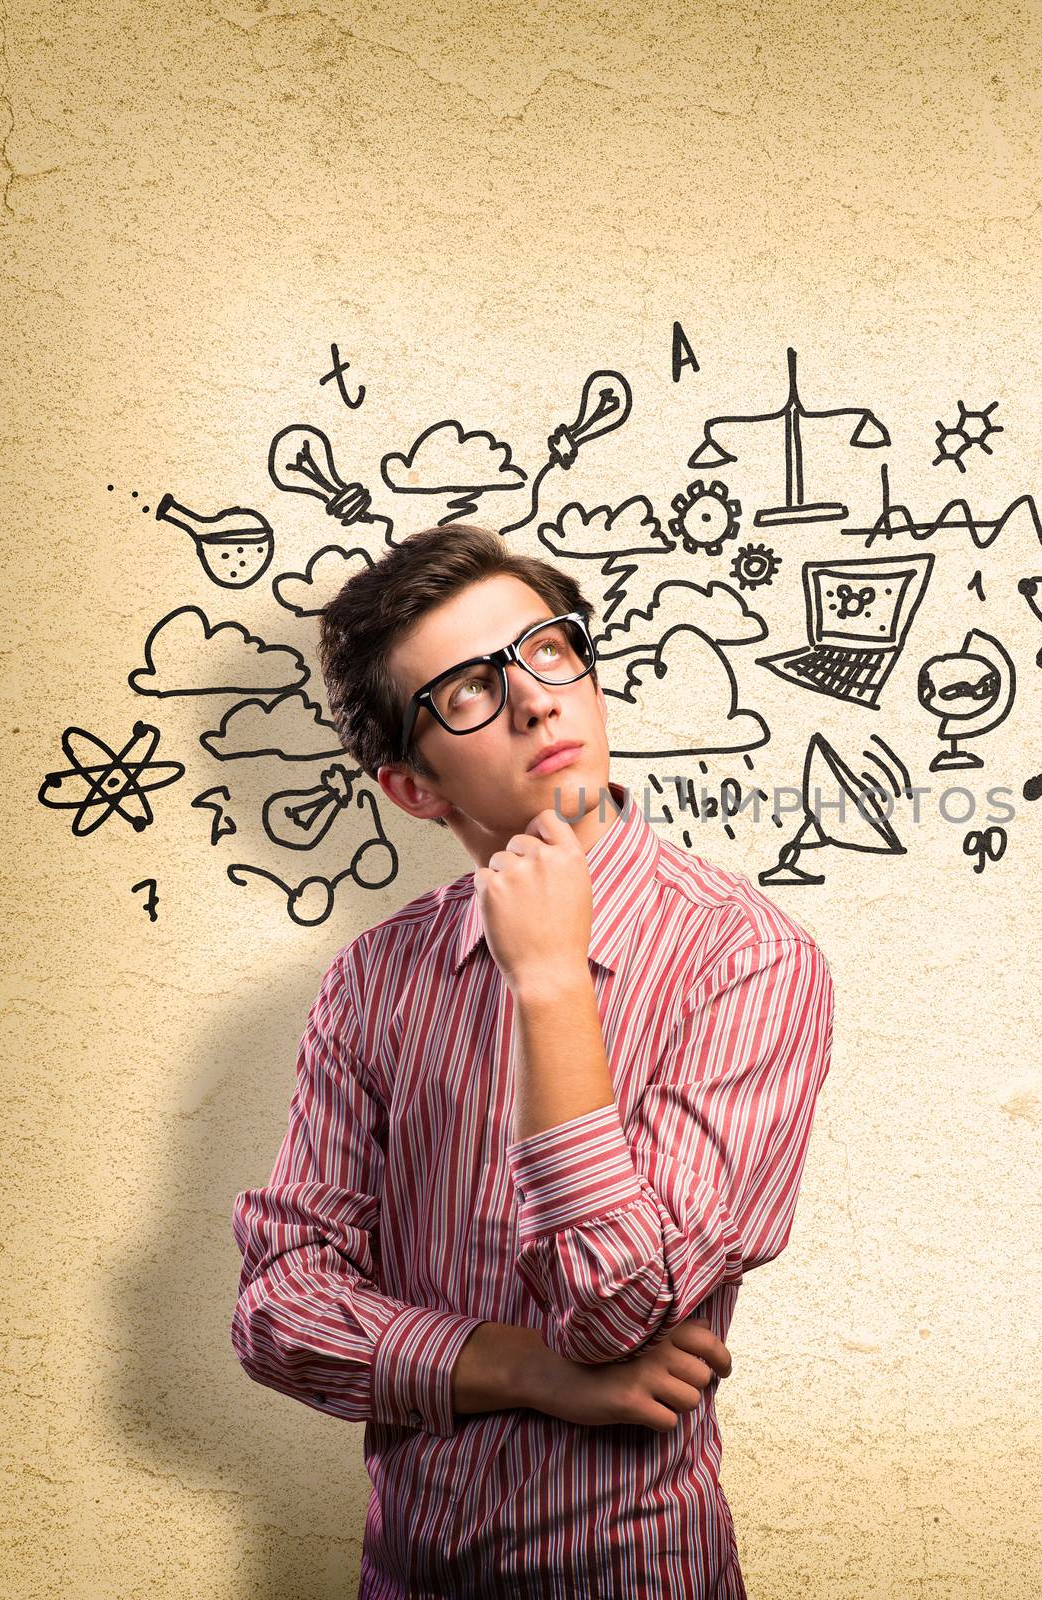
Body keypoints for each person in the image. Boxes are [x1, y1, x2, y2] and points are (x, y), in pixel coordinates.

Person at [229, 523, 836, 1598]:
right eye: (466, 691)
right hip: (401, 1575)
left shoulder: (746, 960)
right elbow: (281, 1309)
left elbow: (618, 1312)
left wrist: (551, 984)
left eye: (546, 650)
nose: (532, 699)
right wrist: (525, 1370)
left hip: (628, 1574)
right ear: (414, 789)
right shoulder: (373, 979)